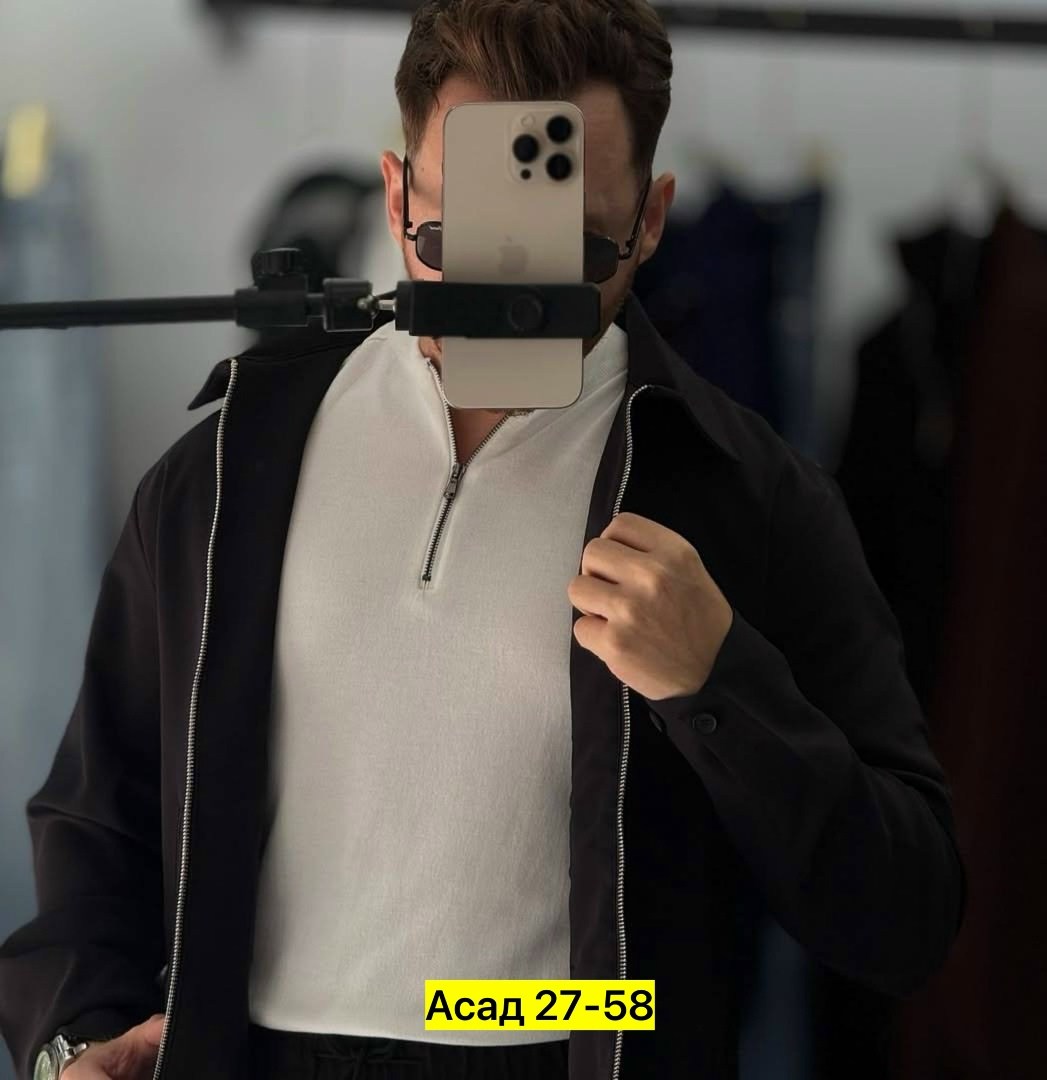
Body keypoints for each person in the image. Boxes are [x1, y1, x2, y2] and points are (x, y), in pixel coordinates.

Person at [0, 1, 967, 1078]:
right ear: (395, 195)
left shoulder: (746, 500)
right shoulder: (226, 473)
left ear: (651, 221)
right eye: (456, 240)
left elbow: (906, 916)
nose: (509, 291)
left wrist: (720, 684)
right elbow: (97, 819)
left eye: (571, 248)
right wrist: (76, 1041)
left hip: (562, 1043)